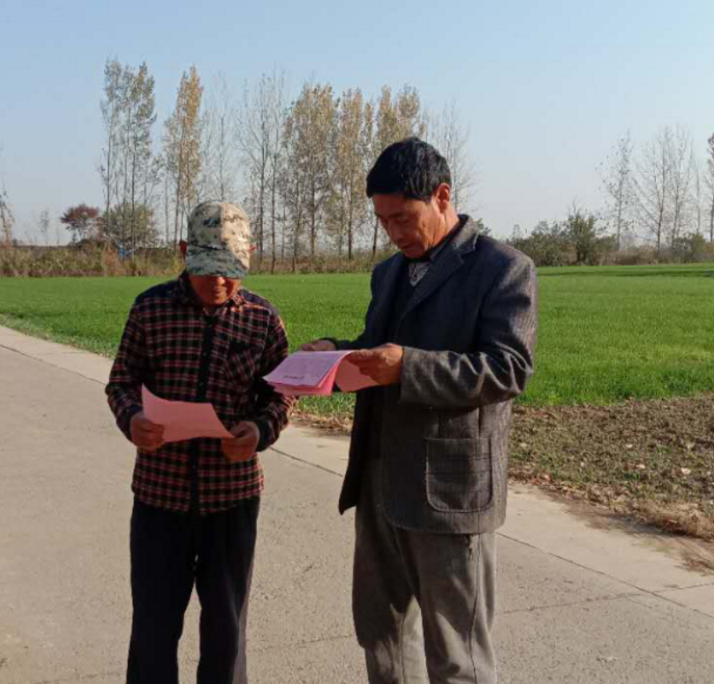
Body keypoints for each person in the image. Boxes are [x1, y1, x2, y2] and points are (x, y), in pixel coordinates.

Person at [303, 138, 538, 684]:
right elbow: (378, 351)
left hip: (449, 493)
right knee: (380, 634)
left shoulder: (503, 268)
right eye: (383, 221)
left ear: (442, 196)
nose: (394, 232)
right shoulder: (388, 273)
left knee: (458, 656)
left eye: (403, 218)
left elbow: (507, 369)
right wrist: (336, 355)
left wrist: (408, 367)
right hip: (379, 479)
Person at [106, 201, 293, 684]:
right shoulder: (150, 310)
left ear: (250, 256)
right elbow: (121, 382)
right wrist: (133, 419)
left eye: (231, 271)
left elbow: (280, 395)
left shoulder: (262, 319)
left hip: (231, 500)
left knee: (226, 632)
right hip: (159, 498)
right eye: (208, 269)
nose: (219, 283)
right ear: (184, 252)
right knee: (153, 629)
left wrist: (259, 430)